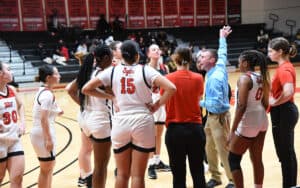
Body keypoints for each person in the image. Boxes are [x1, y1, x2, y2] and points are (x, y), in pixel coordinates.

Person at [82, 40, 176, 188]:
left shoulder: (112, 71)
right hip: (142, 121)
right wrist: (157, 105)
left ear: (122, 56)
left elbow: (86, 89)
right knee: (138, 175)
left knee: (122, 174)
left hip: (121, 122)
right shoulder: (146, 70)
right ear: (137, 56)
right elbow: (171, 88)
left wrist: (111, 97)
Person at [67, 45, 113, 188]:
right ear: (106, 58)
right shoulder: (103, 74)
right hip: (100, 120)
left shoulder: (87, 72)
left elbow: (70, 90)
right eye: (111, 58)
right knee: (101, 166)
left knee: (87, 151)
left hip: (85, 116)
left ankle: (85, 178)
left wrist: (83, 105)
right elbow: (112, 95)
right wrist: (110, 96)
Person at [163, 46, 206, 188]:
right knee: (198, 172)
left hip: (175, 131)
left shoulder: (167, 79)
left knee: (178, 175)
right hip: (195, 129)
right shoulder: (198, 78)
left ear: (175, 59)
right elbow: (198, 97)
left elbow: (164, 100)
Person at [228, 50, 270, 188]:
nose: (238, 64)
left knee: (233, 159)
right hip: (262, 120)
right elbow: (265, 103)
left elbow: (241, 106)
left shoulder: (244, 78)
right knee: (257, 159)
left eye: (239, 62)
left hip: (249, 122)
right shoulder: (261, 76)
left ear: (245, 63)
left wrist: (232, 131)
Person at [198, 26, 234, 188]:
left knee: (223, 149)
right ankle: (216, 177)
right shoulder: (218, 65)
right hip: (211, 118)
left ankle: (233, 180)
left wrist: (198, 102)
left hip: (218, 116)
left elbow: (217, 104)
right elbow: (223, 52)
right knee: (209, 147)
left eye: (203, 56)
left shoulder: (215, 78)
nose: (199, 58)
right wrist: (222, 37)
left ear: (211, 60)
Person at [268, 37, 299, 188]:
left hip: (284, 112)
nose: (268, 53)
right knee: (286, 153)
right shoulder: (284, 67)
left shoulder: (284, 69)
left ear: (280, 52)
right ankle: (290, 184)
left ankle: (289, 185)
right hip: (284, 112)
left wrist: (275, 102)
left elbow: (288, 92)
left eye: (270, 51)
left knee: (286, 154)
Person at [30, 65, 63, 188]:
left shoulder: (43, 90)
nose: (59, 76)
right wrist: (48, 139)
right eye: (57, 74)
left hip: (39, 132)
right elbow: (43, 119)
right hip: (43, 133)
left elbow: (43, 110)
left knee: (48, 168)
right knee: (46, 168)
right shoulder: (47, 95)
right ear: (49, 77)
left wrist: (57, 110)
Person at [146, 44, 171, 180]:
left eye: (158, 49)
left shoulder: (164, 67)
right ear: (149, 54)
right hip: (151, 101)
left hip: (162, 101)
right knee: (152, 134)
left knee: (159, 133)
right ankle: (150, 165)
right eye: (153, 49)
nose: (156, 51)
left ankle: (157, 160)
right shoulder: (145, 69)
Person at [0, 61, 26, 187]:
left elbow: (20, 105)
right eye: (9, 69)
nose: (12, 72)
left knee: (18, 178)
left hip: (14, 139)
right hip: (0, 142)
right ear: (0, 73)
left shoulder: (11, 89)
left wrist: (22, 123)